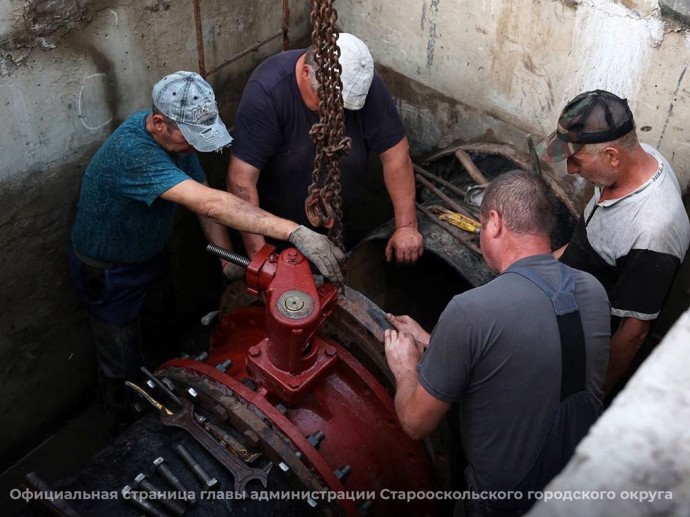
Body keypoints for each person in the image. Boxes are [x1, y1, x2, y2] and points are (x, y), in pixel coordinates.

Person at [69, 71, 344, 430]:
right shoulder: (133, 153)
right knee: (120, 361)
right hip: (109, 272)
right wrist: (293, 231)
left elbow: (200, 186)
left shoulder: (174, 141)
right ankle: (127, 429)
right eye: (190, 138)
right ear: (158, 122)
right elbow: (211, 203)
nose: (195, 146)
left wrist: (223, 257)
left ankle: (169, 387)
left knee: (163, 332)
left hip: (149, 256)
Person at [384, 171, 611, 516]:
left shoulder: (469, 310)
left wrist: (405, 367)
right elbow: (526, 362)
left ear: (493, 222)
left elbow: (416, 423)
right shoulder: (594, 292)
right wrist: (435, 342)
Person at [538, 89, 690, 394]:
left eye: (576, 160)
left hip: (587, 327)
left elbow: (633, 333)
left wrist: (595, 395)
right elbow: (596, 238)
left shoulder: (653, 231)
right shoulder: (639, 158)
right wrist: (536, 267)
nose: (570, 169)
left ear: (611, 156)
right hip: (572, 281)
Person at [227, 32, 423, 264]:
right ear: (307, 73)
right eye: (328, 104)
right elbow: (241, 180)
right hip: (273, 231)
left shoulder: (361, 82)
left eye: (345, 108)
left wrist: (406, 227)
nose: (336, 115)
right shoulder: (268, 91)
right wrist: (260, 259)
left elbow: (396, 154)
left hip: (338, 222)